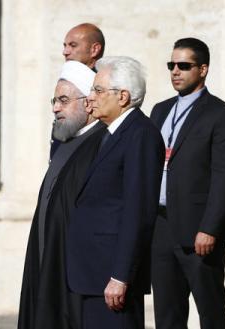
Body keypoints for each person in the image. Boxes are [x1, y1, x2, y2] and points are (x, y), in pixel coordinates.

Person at [65, 56, 165, 329]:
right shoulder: (109, 133)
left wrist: (121, 275)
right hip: (92, 271)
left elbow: (139, 210)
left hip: (112, 276)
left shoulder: (140, 134)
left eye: (98, 90)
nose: (91, 97)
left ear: (123, 96)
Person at [150, 37, 225, 329]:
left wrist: (209, 228)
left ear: (202, 69)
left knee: (210, 310)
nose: (175, 71)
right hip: (161, 225)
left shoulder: (221, 113)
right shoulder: (160, 110)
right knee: (167, 312)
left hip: (200, 229)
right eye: (171, 65)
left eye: (184, 65)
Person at [18, 60, 105, 329]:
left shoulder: (101, 143)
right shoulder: (68, 142)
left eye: (64, 100)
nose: (56, 108)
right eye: (54, 100)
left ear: (88, 102)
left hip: (75, 273)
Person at [51, 23, 106, 158]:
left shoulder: (106, 88)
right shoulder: (65, 78)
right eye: (65, 46)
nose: (65, 52)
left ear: (95, 49)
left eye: (73, 45)